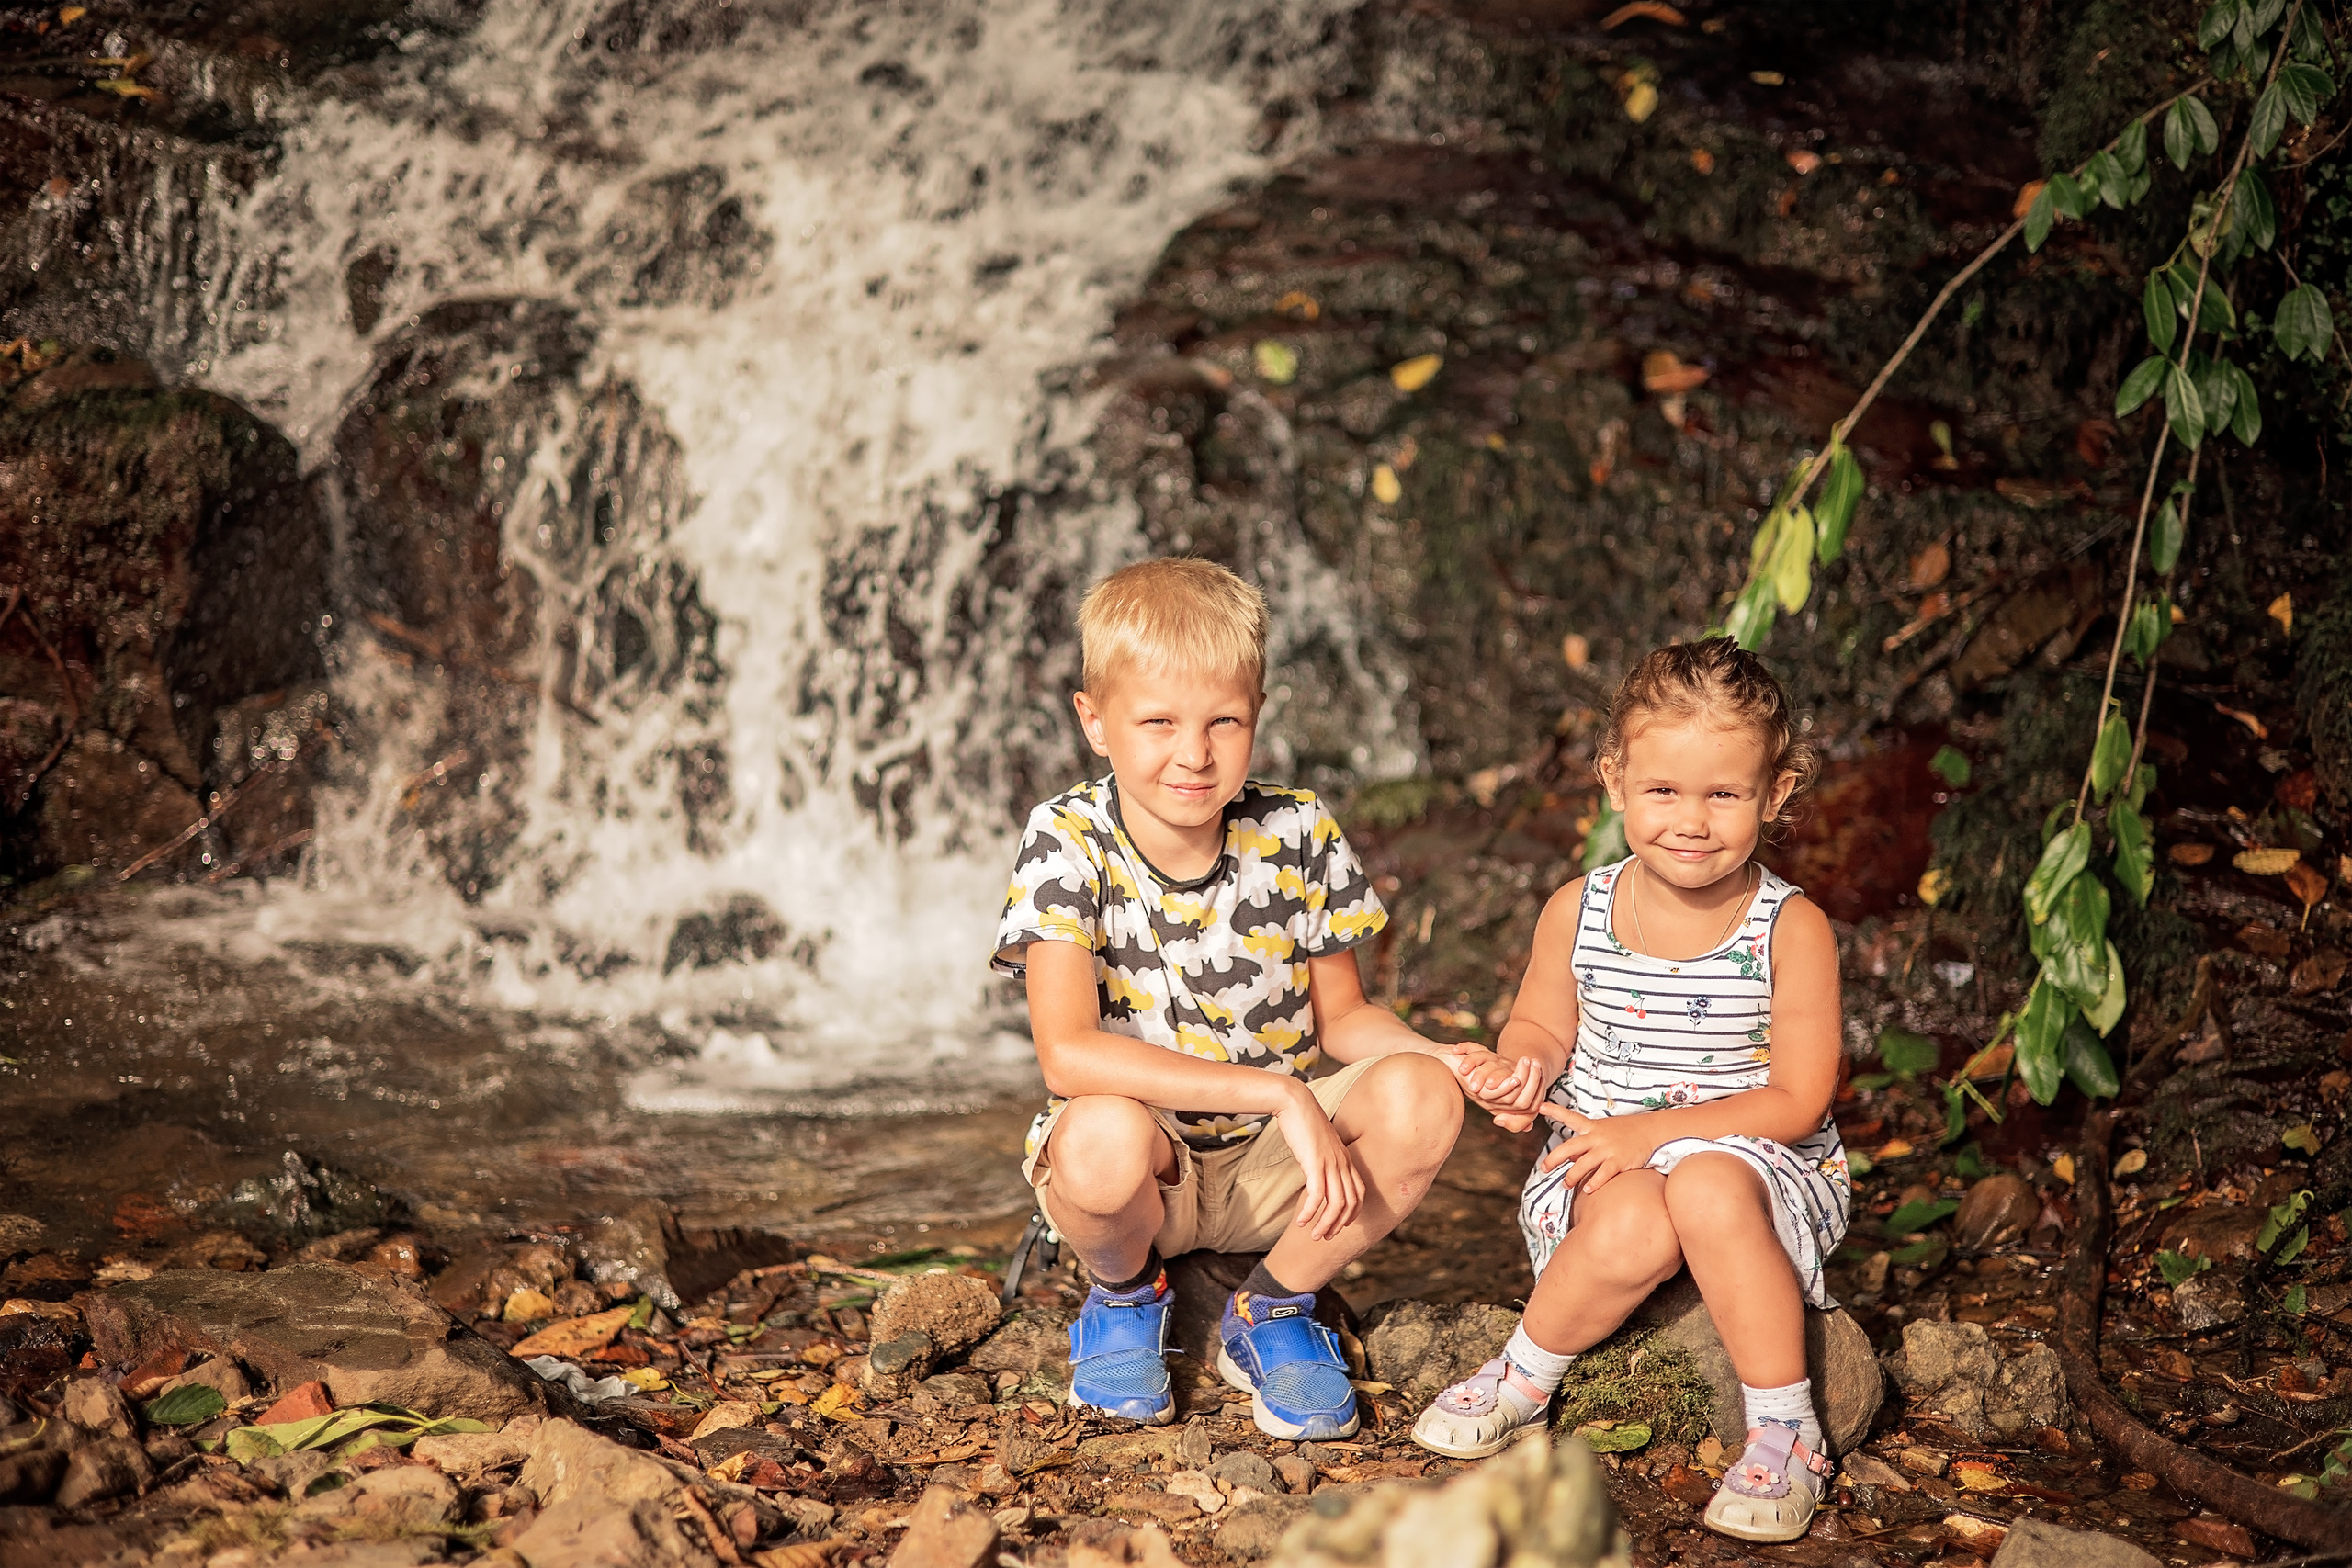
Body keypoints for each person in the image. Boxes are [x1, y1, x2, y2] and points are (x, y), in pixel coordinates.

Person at [992, 557, 1477, 1441]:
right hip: (1149, 1166)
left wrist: (1447, 1058)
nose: (1194, 752)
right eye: (1158, 722)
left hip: (1276, 1171)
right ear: (1094, 721)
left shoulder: (1298, 829)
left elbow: (1347, 1023)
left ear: (1259, 713)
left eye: (1226, 720)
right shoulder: (1065, 838)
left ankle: (1273, 1307)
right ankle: (1124, 1294)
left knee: (1423, 1092)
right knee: (1100, 1134)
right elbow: (1066, 1052)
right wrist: (1281, 1090)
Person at [1413, 637, 1849, 1546]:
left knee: (1700, 1183)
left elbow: (1798, 1100)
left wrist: (1649, 1134)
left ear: (1774, 796)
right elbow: (1538, 1027)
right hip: (1603, 1154)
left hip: (1754, 1157)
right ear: (1615, 783)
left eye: (1722, 795)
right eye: (1662, 791)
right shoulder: (1579, 909)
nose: (1689, 821)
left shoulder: (1790, 928)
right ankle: (1525, 1375)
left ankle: (1786, 1428)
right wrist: (1521, 1069)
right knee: (1636, 1216)